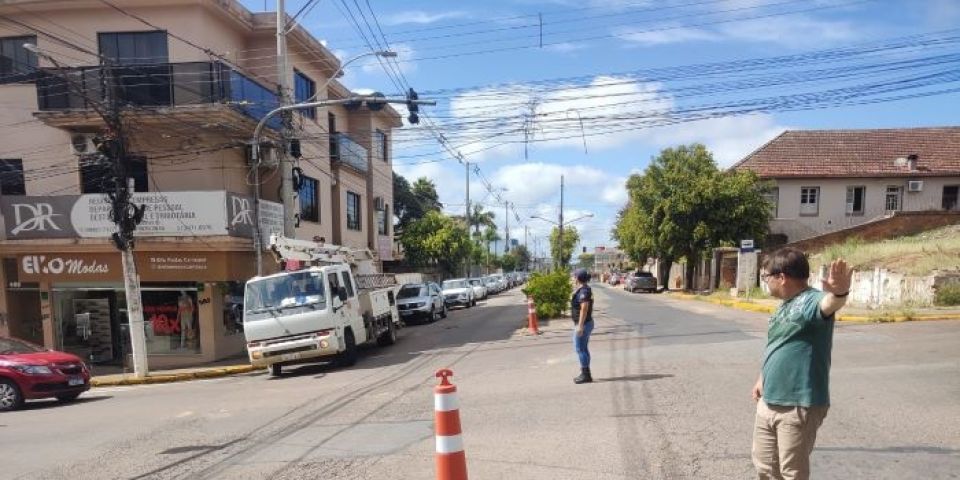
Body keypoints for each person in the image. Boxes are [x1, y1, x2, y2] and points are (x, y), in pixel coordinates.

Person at [751, 248, 854, 480]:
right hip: (769, 401)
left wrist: (840, 292)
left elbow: (830, 303)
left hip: (797, 404)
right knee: (765, 468)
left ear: (782, 277)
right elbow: (777, 344)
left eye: (766, 277)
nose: (765, 283)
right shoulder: (784, 306)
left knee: (792, 473)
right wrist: (761, 378)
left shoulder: (811, 300)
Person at [571, 268, 594, 384]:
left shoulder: (584, 291)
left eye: (575, 276)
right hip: (585, 323)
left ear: (578, 278)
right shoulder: (582, 289)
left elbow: (584, 309)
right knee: (583, 348)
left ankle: (586, 375)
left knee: (580, 349)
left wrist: (580, 326)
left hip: (583, 323)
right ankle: (585, 372)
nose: (573, 278)